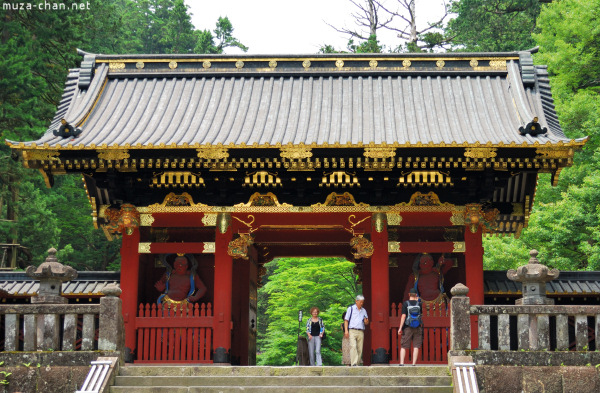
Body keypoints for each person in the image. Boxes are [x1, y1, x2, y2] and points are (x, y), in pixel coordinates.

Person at [397, 288, 423, 366]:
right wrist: (418, 301)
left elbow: (403, 316)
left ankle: (402, 363)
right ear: (416, 295)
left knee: (404, 346)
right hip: (417, 327)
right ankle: (413, 364)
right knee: (416, 345)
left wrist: (400, 328)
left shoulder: (406, 304)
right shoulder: (419, 304)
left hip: (408, 326)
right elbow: (420, 314)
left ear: (409, 294)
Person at [344, 295, 369, 366]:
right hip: (352, 330)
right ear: (356, 301)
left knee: (360, 348)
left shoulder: (364, 310)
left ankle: (357, 363)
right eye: (360, 302)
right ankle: (354, 363)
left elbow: (367, 322)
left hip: (361, 331)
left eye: (362, 302)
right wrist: (346, 331)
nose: (361, 303)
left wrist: (366, 321)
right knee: (353, 346)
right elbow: (346, 320)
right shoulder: (350, 309)